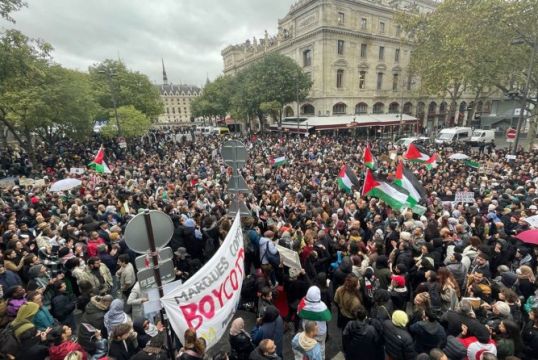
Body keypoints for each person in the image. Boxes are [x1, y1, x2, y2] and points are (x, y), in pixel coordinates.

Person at [297, 286, 332, 360]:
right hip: (320, 332)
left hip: (307, 330)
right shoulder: (322, 307)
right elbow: (328, 317)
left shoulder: (303, 303)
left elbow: (298, 313)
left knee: (309, 346)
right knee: (321, 347)